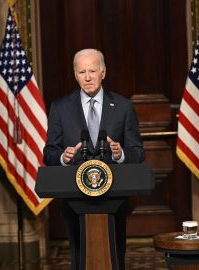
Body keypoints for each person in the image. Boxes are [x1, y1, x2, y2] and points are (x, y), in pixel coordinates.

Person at [43, 48, 145, 269]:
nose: (87, 77)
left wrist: (121, 155)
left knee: (115, 253)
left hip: (114, 197)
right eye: (82, 72)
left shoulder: (123, 107)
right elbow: (49, 153)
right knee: (80, 256)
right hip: (75, 199)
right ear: (75, 74)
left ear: (103, 72)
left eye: (92, 70)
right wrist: (63, 156)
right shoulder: (60, 108)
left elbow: (138, 151)